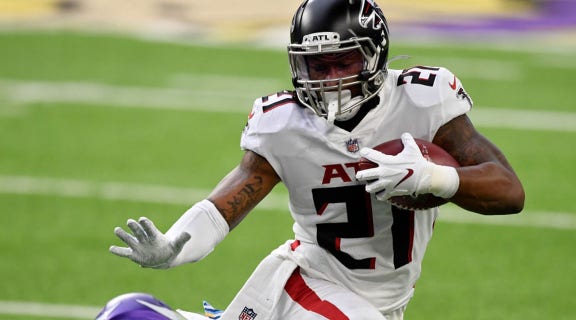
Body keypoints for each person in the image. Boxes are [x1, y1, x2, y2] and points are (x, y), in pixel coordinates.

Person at [109, 0, 525, 319]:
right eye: (316, 65)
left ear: (374, 55)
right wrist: (173, 247)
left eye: (342, 61)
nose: (330, 80)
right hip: (308, 282)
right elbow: (226, 205)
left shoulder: (422, 101)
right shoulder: (284, 124)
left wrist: (432, 177)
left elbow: (509, 191)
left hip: (379, 300)